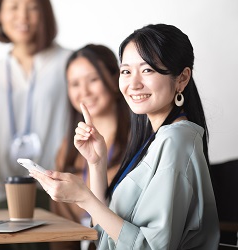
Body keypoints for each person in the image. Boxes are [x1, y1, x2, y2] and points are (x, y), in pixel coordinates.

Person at [30, 24, 220, 249]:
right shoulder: (154, 139)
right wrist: (97, 163)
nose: (134, 84)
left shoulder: (176, 141)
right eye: (126, 71)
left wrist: (84, 198)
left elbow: (149, 247)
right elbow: (106, 233)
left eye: (147, 70)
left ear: (181, 78)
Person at [0, 0, 71, 211]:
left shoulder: (68, 63)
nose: (23, 16)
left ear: (45, 14)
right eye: (13, 7)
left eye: (32, 8)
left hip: (53, 193)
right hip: (2, 195)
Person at [51, 44, 130, 250]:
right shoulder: (68, 147)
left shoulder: (138, 141)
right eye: (74, 84)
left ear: (115, 79)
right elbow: (60, 227)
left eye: (93, 80)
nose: (83, 91)